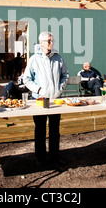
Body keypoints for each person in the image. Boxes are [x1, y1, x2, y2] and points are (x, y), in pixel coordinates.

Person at [23, 31, 69, 166]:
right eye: (48, 41)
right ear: (41, 43)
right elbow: (26, 79)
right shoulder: (34, 59)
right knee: (40, 130)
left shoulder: (58, 58)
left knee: (55, 130)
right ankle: (41, 158)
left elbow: (65, 74)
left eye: (52, 40)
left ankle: (55, 157)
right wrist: (38, 90)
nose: (50, 43)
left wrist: (60, 89)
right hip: (40, 100)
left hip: (55, 100)